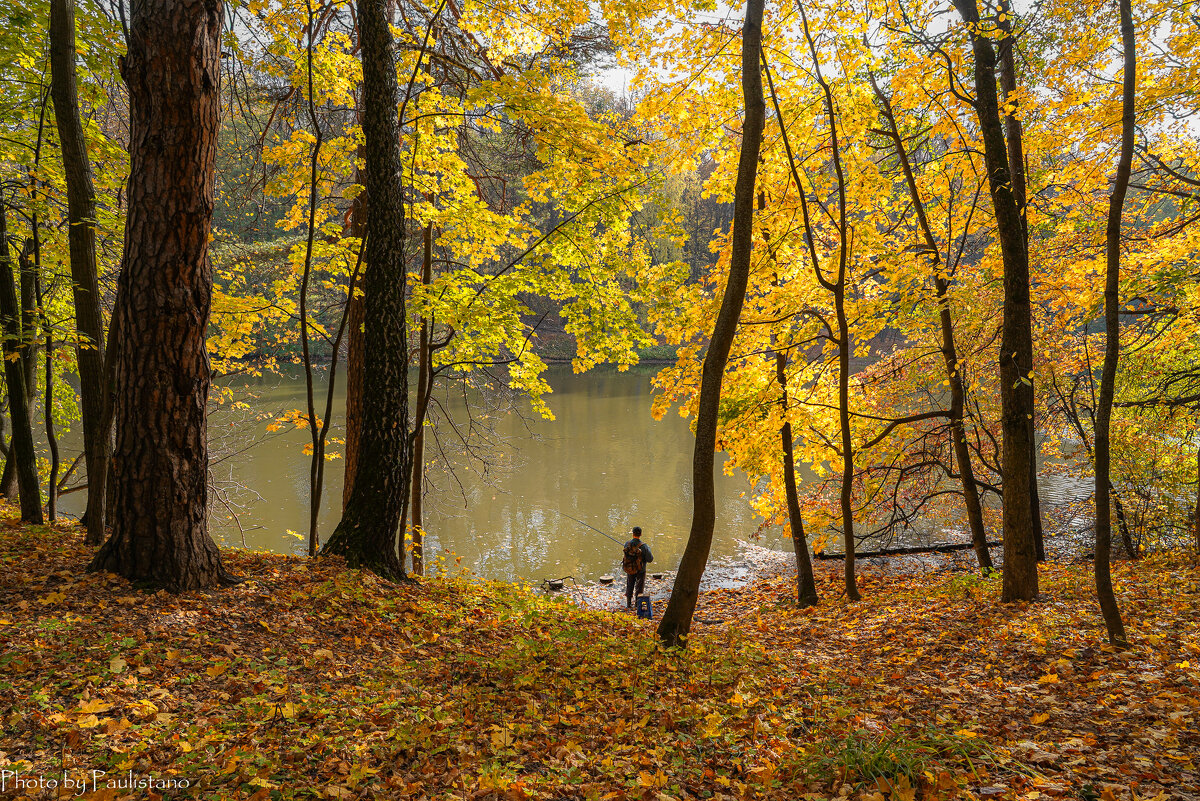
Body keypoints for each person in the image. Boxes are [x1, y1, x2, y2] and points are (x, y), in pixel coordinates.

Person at [621, 526, 653, 608]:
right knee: (639, 587)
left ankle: (628, 604)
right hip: (640, 570)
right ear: (641, 534)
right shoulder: (644, 546)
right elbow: (650, 559)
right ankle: (637, 605)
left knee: (630, 585)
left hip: (629, 569)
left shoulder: (627, 544)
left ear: (633, 533)